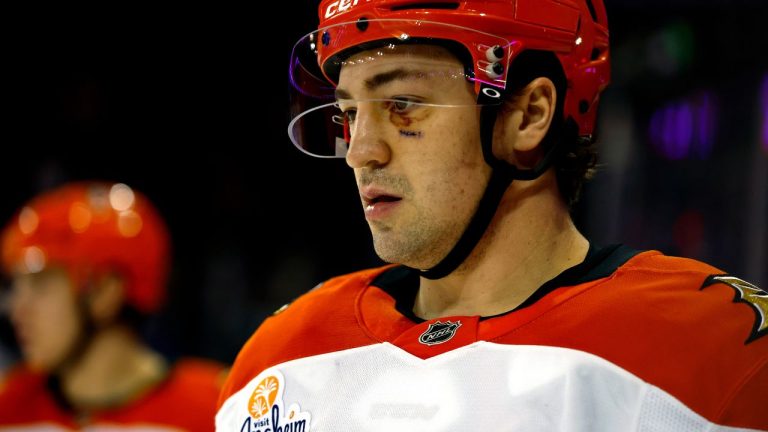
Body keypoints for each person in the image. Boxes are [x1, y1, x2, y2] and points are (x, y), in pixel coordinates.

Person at [217, 1, 768, 430]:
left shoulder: (716, 351)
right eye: (349, 112)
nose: (360, 150)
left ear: (529, 114)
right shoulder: (277, 362)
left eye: (402, 104)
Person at [0, 181, 225, 431]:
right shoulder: (7, 408)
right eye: (16, 288)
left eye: (41, 285)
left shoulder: (220, 409)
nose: (16, 310)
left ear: (106, 292)